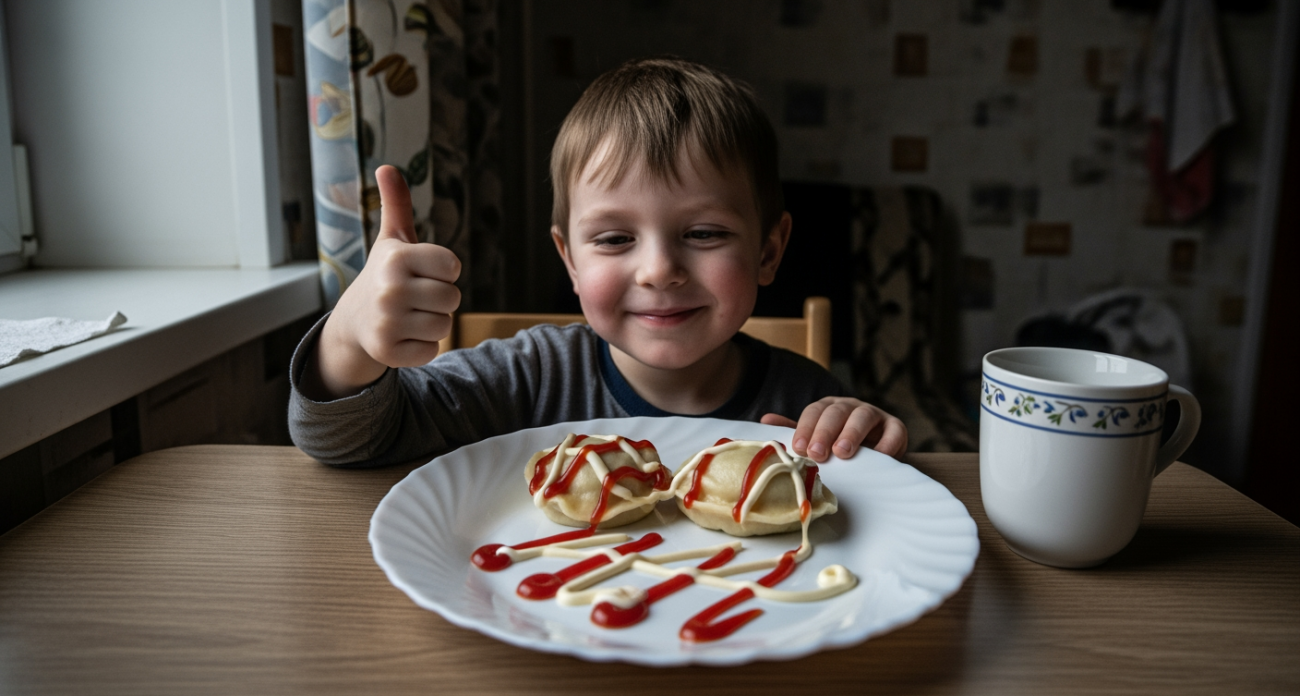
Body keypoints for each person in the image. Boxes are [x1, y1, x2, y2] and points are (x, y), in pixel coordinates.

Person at [289, 57, 907, 467]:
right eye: (613, 239)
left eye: (703, 233)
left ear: (768, 251)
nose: (658, 270)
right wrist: (349, 336)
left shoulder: (804, 401)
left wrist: (866, 444)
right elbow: (346, 440)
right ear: (570, 260)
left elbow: (866, 508)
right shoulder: (526, 379)